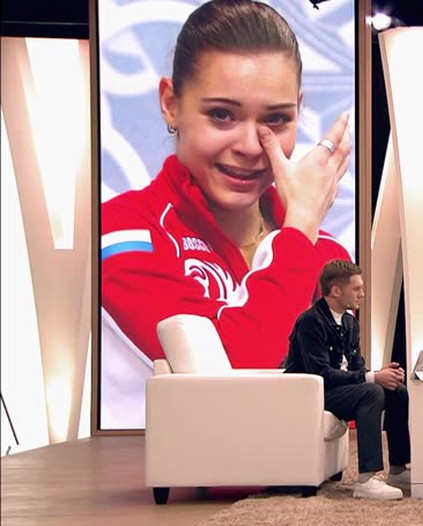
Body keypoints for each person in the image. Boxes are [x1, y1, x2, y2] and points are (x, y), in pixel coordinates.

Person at [99, 0, 353, 429]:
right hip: (154, 468)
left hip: (300, 469)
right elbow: (235, 386)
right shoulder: (122, 231)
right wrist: (296, 238)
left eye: (276, 119)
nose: (251, 146)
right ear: (171, 103)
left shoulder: (325, 251)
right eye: (222, 115)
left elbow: (341, 403)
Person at [284, 260, 411, 501]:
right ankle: (366, 480)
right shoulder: (311, 322)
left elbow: (356, 367)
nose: (362, 294)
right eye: (356, 289)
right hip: (314, 394)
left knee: (397, 390)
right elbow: (320, 373)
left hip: (341, 390)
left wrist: (380, 375)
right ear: (336, 291)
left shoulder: (350, 322)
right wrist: (371, 378)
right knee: (372, 392)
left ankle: (398, 469)